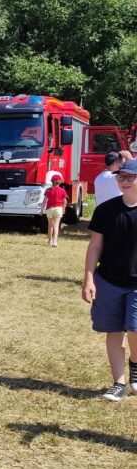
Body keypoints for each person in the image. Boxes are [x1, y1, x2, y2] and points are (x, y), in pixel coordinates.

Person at [82, 158, 137, 401]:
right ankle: (119, 384)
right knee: (114, 331)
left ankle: (135, 362)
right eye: (121, 176)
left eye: (130, 177)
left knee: (135, 329)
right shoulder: (105, 210)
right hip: (109, 281)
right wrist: (88, 278)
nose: (124, 181)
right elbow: (95, 246)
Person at [42, 173, 68, 247]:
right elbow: (65, 201)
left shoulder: (48, 190)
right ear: (59, 182)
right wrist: (63, 209)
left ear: (52, 181)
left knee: (50, 226)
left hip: (50, 209)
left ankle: (49, 241)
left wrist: (41, 209)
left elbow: (44, 201)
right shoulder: (62, 190)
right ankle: (55, 241)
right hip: (58, 209)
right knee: (56, 226)